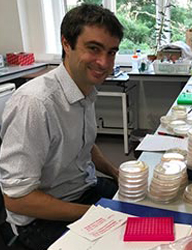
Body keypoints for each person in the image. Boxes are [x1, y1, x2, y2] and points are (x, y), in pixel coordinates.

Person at [0, 4, 124, 250]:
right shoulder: (36, 104)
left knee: (149, 210)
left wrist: (116, 173)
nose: (104, 62)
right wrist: (93, 214)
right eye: (94, 49)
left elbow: (83, 144)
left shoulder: (85, 89)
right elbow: (17, 200)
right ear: (66, 44)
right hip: (41, 218)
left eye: (112, 52)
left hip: (83, 188)